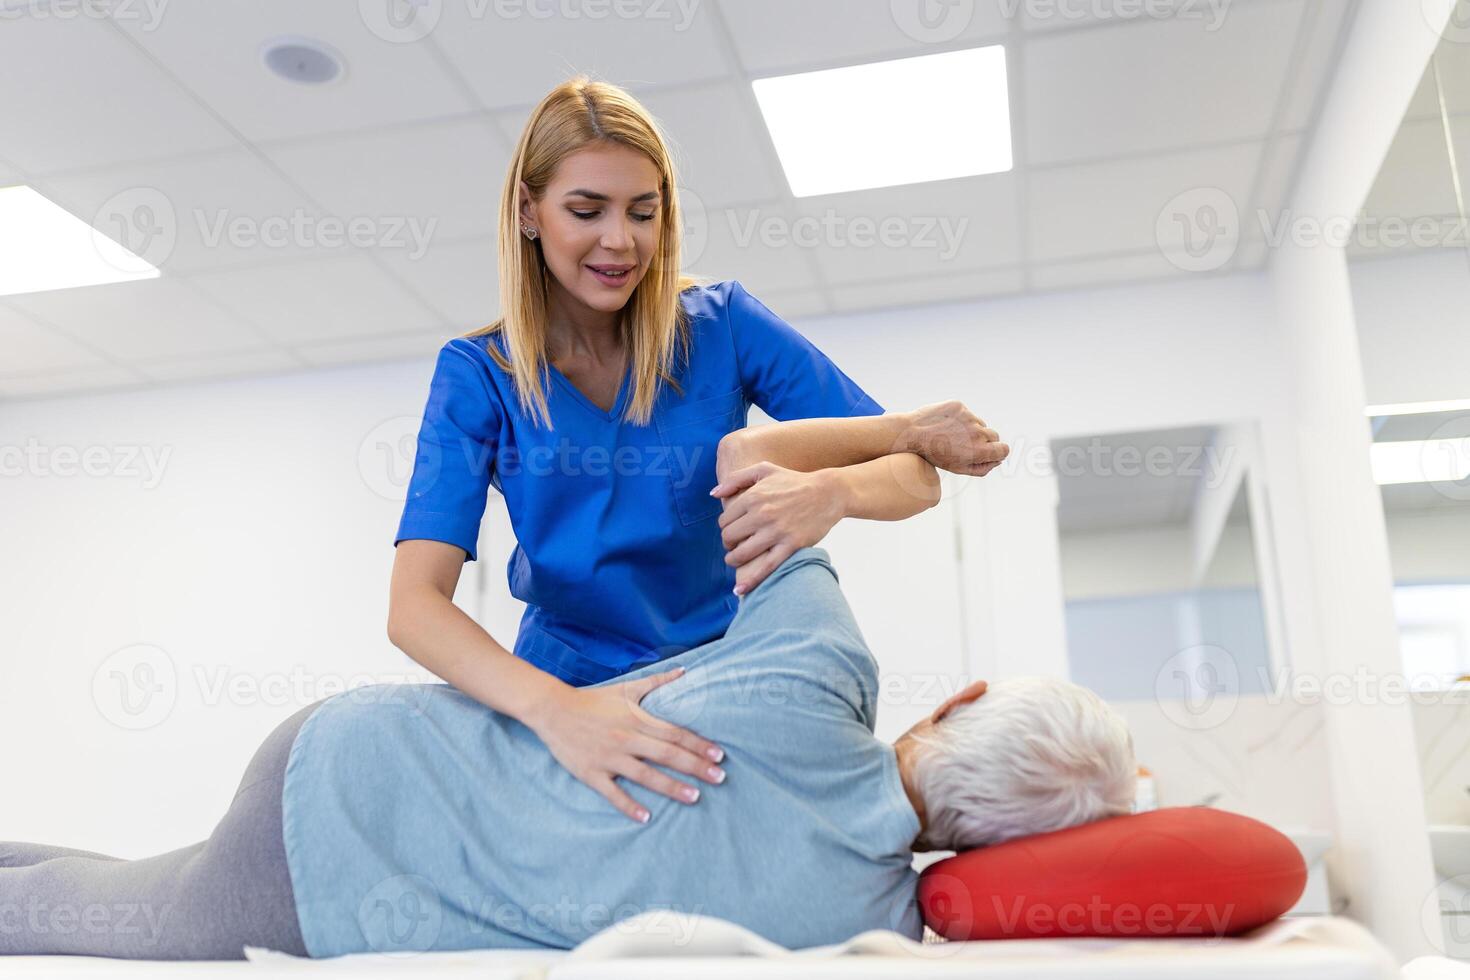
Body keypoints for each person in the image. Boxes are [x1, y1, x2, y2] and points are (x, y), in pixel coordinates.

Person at [387, 72, 1009, 828]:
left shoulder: (723, 327)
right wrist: (556, 711)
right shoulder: (480, 374)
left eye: (643, 213)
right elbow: (415, 605)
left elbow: (915, 477)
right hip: (571, 692)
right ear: (528, 210)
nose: (620, 241)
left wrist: (832, 494)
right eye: (587, 210)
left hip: (722, 677)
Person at [0, 547, 1134, 960]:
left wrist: (854, 473)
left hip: (356, 773)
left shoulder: (821, 667)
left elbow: (743, 480)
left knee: (107, 887)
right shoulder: (870, 927)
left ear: (966, 698)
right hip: (341, 847)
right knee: (96, 905)